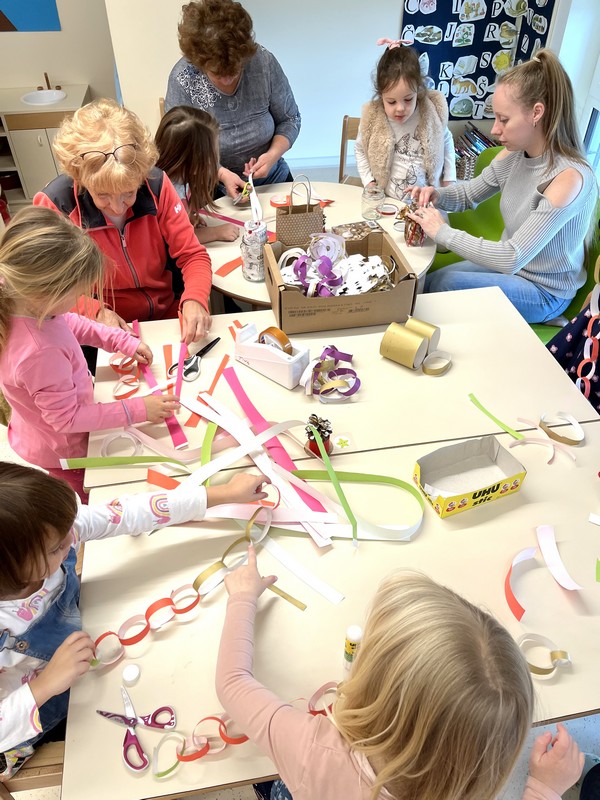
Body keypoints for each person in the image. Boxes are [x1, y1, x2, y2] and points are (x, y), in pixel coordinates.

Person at [217, 550, 584, 800]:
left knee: (272, 781)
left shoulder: (315, 750)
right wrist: (544, 789)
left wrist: (242, 596)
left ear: (370, 684)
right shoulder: (464, 786)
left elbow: (231, 682)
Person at [0, 461, 268, 781]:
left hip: (84, 662)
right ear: (13, 570)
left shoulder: (50, 530)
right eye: (58, 547)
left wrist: (223, 493)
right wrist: (44, 686)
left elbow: (128, 512)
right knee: (96, 766)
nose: (73, 537)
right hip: (34, 708)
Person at [0, 207, 179, 501]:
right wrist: (140, 409)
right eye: (77, 293)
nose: (80, 299)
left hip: (44, 427)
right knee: (96, 498)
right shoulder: (39, 353)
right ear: (46, 293)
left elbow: (69, 322)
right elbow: (67, 420)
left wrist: (120, 340)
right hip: (68, 450)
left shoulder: (22, 299)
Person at [408, 49, 598, 324]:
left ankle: (544, 318)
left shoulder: (569, 178)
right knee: (431, 281)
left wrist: (441, 232)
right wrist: (436, 194)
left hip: (544, 291)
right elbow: (468, 194)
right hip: (513, 270)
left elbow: (511, 257)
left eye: (504, 120)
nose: (495, 130)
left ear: (537, 113)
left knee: (442, 287)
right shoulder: (514, 155)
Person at [33, 98, 212, 345]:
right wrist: (95, 312)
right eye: (103, 195)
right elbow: (46, 286)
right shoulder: (56, 204)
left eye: (129, 192)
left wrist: (195, 298)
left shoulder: (157, 184)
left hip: (166, 316)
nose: (117, 207)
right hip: (102, 328)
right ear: (80, 177)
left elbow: (193, 255)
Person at [165, 0, 301, 201]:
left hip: (274, 180)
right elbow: (182, 149)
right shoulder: (184, 79)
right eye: (217, 74)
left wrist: (272, 155)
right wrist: (221, 173)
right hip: (212, 189)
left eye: (235, 70)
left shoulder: (263, 63)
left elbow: (290, 119)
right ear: (199, 62)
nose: (227, 80)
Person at [355, 39, 456, 199]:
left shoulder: (431, 114)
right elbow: (360, 149)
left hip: (425, 201)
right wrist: (369, 182)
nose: (400, 108)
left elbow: (446, 140)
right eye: (391, 102)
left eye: (408, 99)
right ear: (381, 95)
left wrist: (449, 179)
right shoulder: (373, 119)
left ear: (418, 90)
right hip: (388, 201)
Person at [155, 105, 240, 244]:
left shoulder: (180, 177)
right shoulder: (170, 193)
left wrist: (188, 218)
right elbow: (179, 239)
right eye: (213, 154)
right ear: (195, 163)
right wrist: (216, 232)